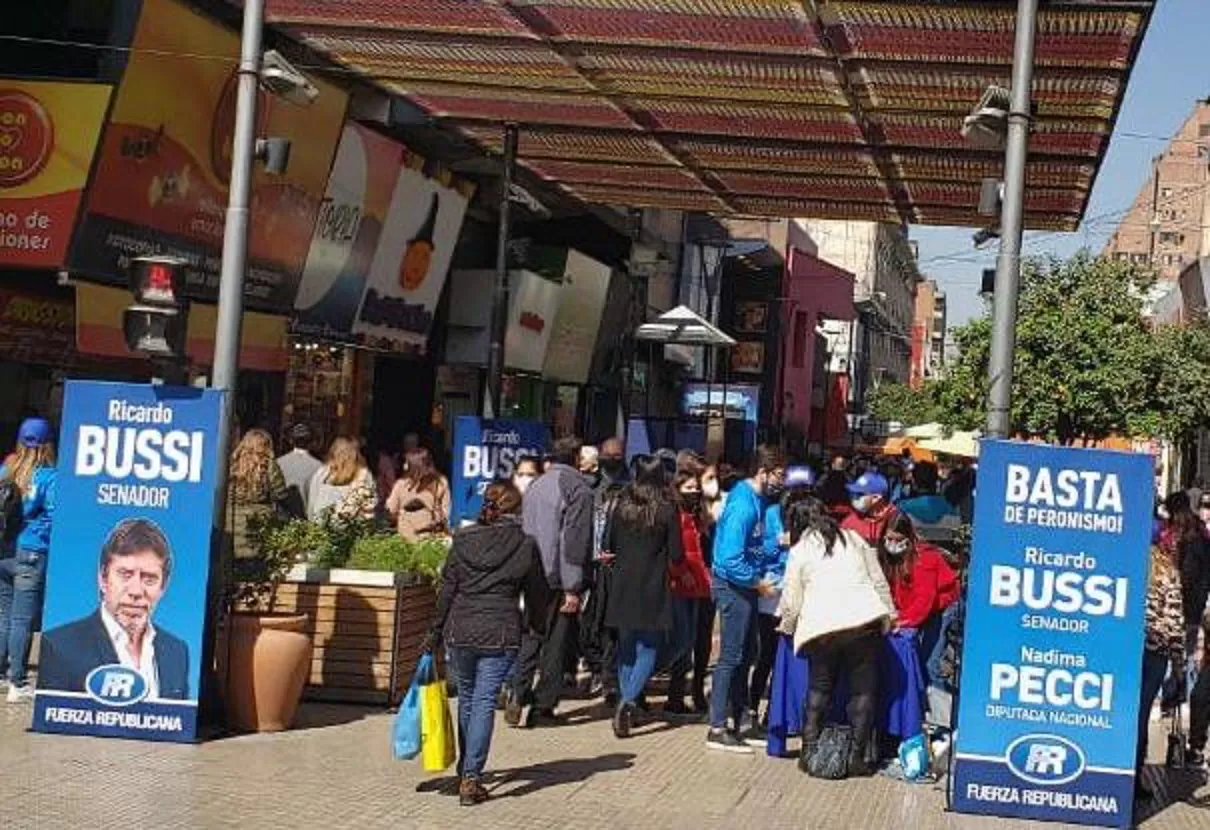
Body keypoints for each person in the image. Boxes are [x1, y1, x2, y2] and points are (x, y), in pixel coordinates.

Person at [424, 481, 548, 806]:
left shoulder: (463, 540)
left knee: (467, 698)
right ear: (516, 509)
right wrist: (537, 628)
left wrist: (433, 632)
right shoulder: (524, 544)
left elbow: (447, 589)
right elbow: (537, 593)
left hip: (461, 628)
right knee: (484, 700)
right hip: (501, 630)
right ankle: (472, 776)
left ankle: (467, 769)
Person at [778, 496, 896, 777]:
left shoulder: (801, 549)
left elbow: (792, 598)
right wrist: (889, 616)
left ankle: (808, 753)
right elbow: (878, 580)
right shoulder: (853, 538)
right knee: (863, 691)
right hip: (864, 624)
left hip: (823, 629)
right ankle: (856, 758)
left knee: (819, 689)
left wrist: (787, 625)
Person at [38, 518, 190, 701]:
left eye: (149, 579)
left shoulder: (177, 652)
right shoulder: (60, 647)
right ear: (103, 579)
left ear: (163, 586)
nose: (135, 591)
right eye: (125, 575)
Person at [706, 445, 784, 753]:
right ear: (762, 472)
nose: (781, 481)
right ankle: (717, 726)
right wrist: (757, 582)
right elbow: (728, 558)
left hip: (747, 587)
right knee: (731, 656)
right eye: (778, 474)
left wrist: (775, 547)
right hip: (734, 587)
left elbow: (754, 548)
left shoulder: (758, 502)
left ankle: (739, 719)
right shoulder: (743, 506)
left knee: (747, 653)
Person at [512, 436, 594, 727]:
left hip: (530, 572)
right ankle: (543, 706)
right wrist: (573, 586)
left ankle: (517, 690)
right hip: (558, 576)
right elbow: (574, 541)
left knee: (531, 633)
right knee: (557, 642)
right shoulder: (578, 489)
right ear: (576, 458)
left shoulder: (536, 485)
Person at [603, 456, 685, 737]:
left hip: (623, 582)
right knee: (648, 647)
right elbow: (677, 553)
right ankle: (627, 702)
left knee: (626, 647)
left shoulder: (621, 506)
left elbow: (609, 543)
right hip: (652, 584)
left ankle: (627, 701)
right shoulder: (666, 509)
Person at [745, 465, 816, 742]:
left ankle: (775, 713)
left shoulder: (811, 515)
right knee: (765, 656)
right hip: (771, 593)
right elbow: (758, 549)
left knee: (785, 660)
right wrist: (779, 542)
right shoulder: (770, 514)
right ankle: (751, 708)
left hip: (796, 594)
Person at [0, 418, 57, 702]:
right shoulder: (49, 476)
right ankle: (17, 681)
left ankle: (0, 673)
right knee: (23, 619)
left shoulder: (5, 470)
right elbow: (55, 516)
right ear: (48, 444)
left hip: (4, 551)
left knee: (4, 615)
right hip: (32, 551)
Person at [579, 437, 630, 706]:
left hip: (616, 567)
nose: (612, 458)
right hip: (590, 562)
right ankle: (593, 665)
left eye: (616, 454)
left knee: (610, 627)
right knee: (588, 622)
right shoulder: (591, 486)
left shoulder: (631, 488)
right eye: (607, 454)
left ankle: (608, 676)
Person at [1136, 539, 1185, 801]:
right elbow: (1174, 624)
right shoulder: (1168, 572)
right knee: (1141, 715)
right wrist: (1179, 665)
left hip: (1125, 651)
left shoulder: (1128, 567)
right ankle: (1134, 777)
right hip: (1155, 653)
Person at [666, 467, 713, 715]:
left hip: (699, 584)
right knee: (681, 641)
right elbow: (673, 551)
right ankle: (672, 693)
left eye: (696, 488)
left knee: (691, 641)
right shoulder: (674, 514)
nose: (694, 492)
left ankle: (679, 695)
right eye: (689, 488)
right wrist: (679, 571)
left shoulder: (699, 515)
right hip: (680, 584)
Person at [226, 429, 289, 558]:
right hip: (257, 527)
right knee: (255, 571)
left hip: (230, 527)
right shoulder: (269, 466)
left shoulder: (231, 464)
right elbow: (281, 494)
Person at [385, 448, 451, 542]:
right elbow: (445, 512)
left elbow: (391, 509)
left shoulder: (401, 484)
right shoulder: (441, 482)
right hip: (433, 538)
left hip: (407, 538)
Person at [307, 437, 377, 523]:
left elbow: (312, 503)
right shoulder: (363, 475)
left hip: (321, 527)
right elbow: (370, 506)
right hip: (351, 529)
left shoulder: (321, 473)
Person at [841, 470, 898, 546]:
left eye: (859, 494)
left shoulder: (896, 521)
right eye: (852, 493)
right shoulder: (849, 522)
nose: (854, 498)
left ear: (876, 498)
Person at [276, 423, 321, 517]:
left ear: (291, 441)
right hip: (306, 518)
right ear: (311, 442)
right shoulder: (319, 466)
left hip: (281, 516)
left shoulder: (279, 462)